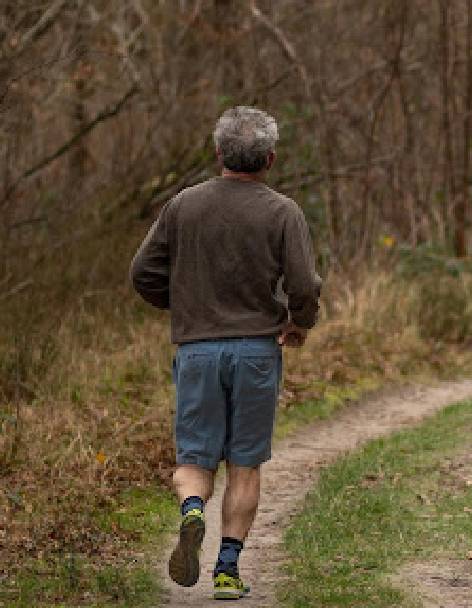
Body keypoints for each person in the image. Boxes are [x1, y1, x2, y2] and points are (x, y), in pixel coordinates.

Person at [130, 106, 321, 600]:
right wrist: (298, 323)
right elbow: (303, 285)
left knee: (195, 455)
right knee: (244, 462)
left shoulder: (183, 206)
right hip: (258, 351)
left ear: (218, 154)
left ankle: (192, 511)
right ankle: (227, 571)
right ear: (270, 159)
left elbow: (142, 273)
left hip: (197, 351)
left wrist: (185, 308)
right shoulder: (283, 212)